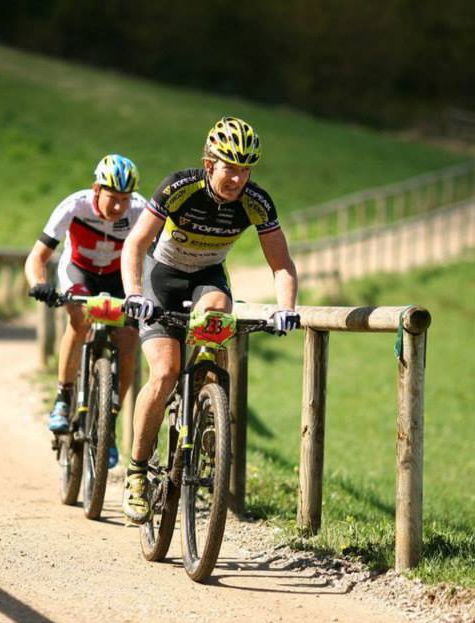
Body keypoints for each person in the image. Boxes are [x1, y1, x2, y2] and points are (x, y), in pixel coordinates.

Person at [119, 117, 301, 523]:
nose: (237, 177)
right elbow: (135, 243)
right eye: (229, 167)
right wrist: (133, 294)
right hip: (161, 277)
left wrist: (286, 308)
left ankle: (207, 406)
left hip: (207, 278)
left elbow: (282, 265)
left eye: (245, 168)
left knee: (219, 312)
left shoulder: (257, 202)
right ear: (208, 163)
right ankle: (136, 472)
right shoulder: (179, 188)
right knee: (164, 373)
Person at [25, 154, 147, 467]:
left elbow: (157, 255)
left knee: (129, 336)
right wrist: (39, 284)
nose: (119, 207)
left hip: (119, 277)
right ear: (96, 190)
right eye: (112, 198)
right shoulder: (74, 206)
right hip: (79, 272)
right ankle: (64, 398)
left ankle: (109, 421)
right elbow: (37, 256)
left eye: (125, 199)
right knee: (78, 321)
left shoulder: (139, 209)